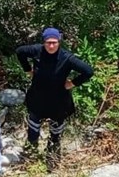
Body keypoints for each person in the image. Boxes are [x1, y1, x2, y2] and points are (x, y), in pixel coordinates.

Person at [15, 28, 94, 161]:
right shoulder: (37, 51)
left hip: (58, 101)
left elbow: (88, 71)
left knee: (56, 131)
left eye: (54, 42)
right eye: (48, 42)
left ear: (59, 42)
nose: (51, 46)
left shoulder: (66, 58)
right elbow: (20, 52)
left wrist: (73, 83)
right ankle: (31, 154)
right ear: (44, 42)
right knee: (33, 128)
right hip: (37, 97)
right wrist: (28, 70)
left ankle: (52, 155)